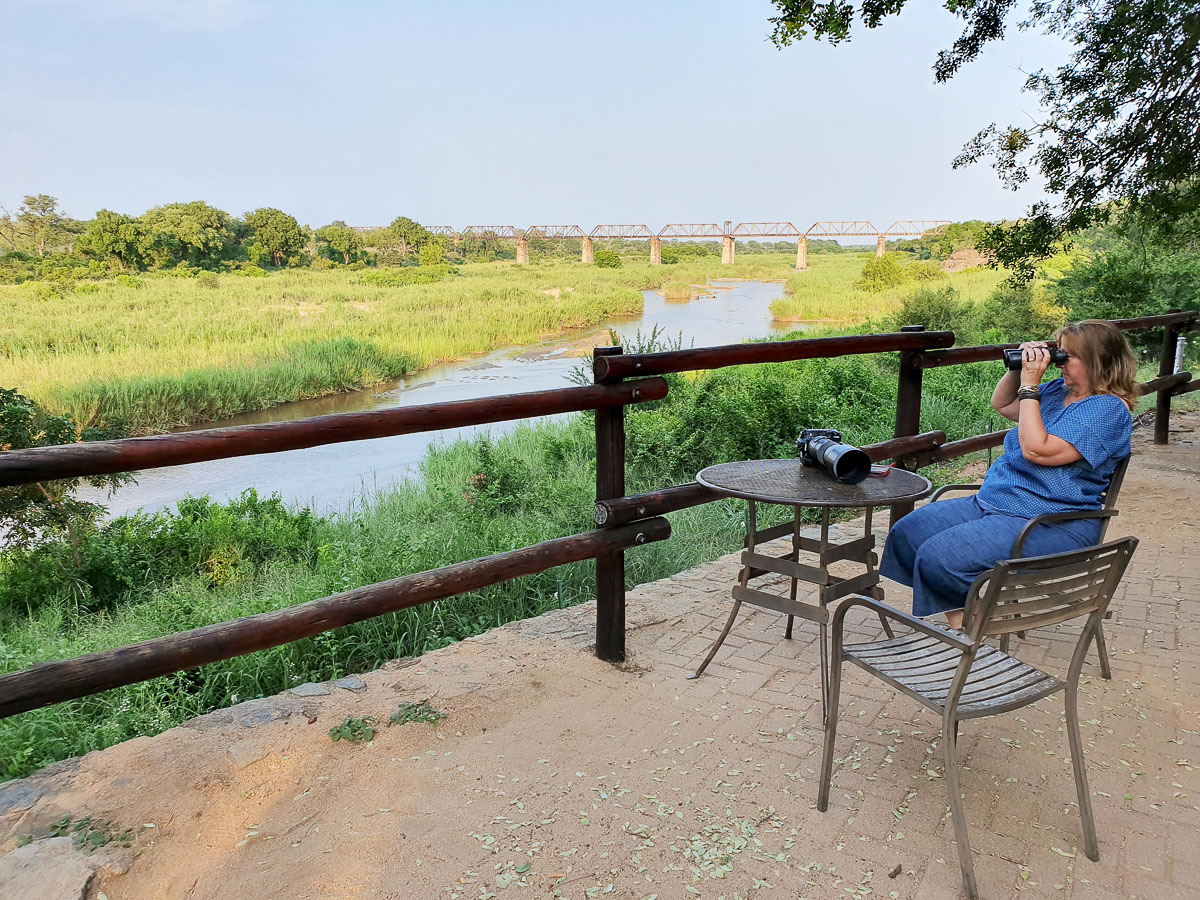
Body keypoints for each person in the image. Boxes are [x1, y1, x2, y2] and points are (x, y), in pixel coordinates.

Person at [880, 319, 1137, 629]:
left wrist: (1030, 386)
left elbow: (1037, 450)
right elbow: (1002, 404)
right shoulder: (1058, 391)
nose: (1059, 362)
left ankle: (968, 630)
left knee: (939, 556)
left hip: (1052, 521)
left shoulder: (1108, 410)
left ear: (1099, 361)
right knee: (908, 534)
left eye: (1068, 356)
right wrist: (1018, 370)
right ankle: (970, 616)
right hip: (996, 503)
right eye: (1059, 353)